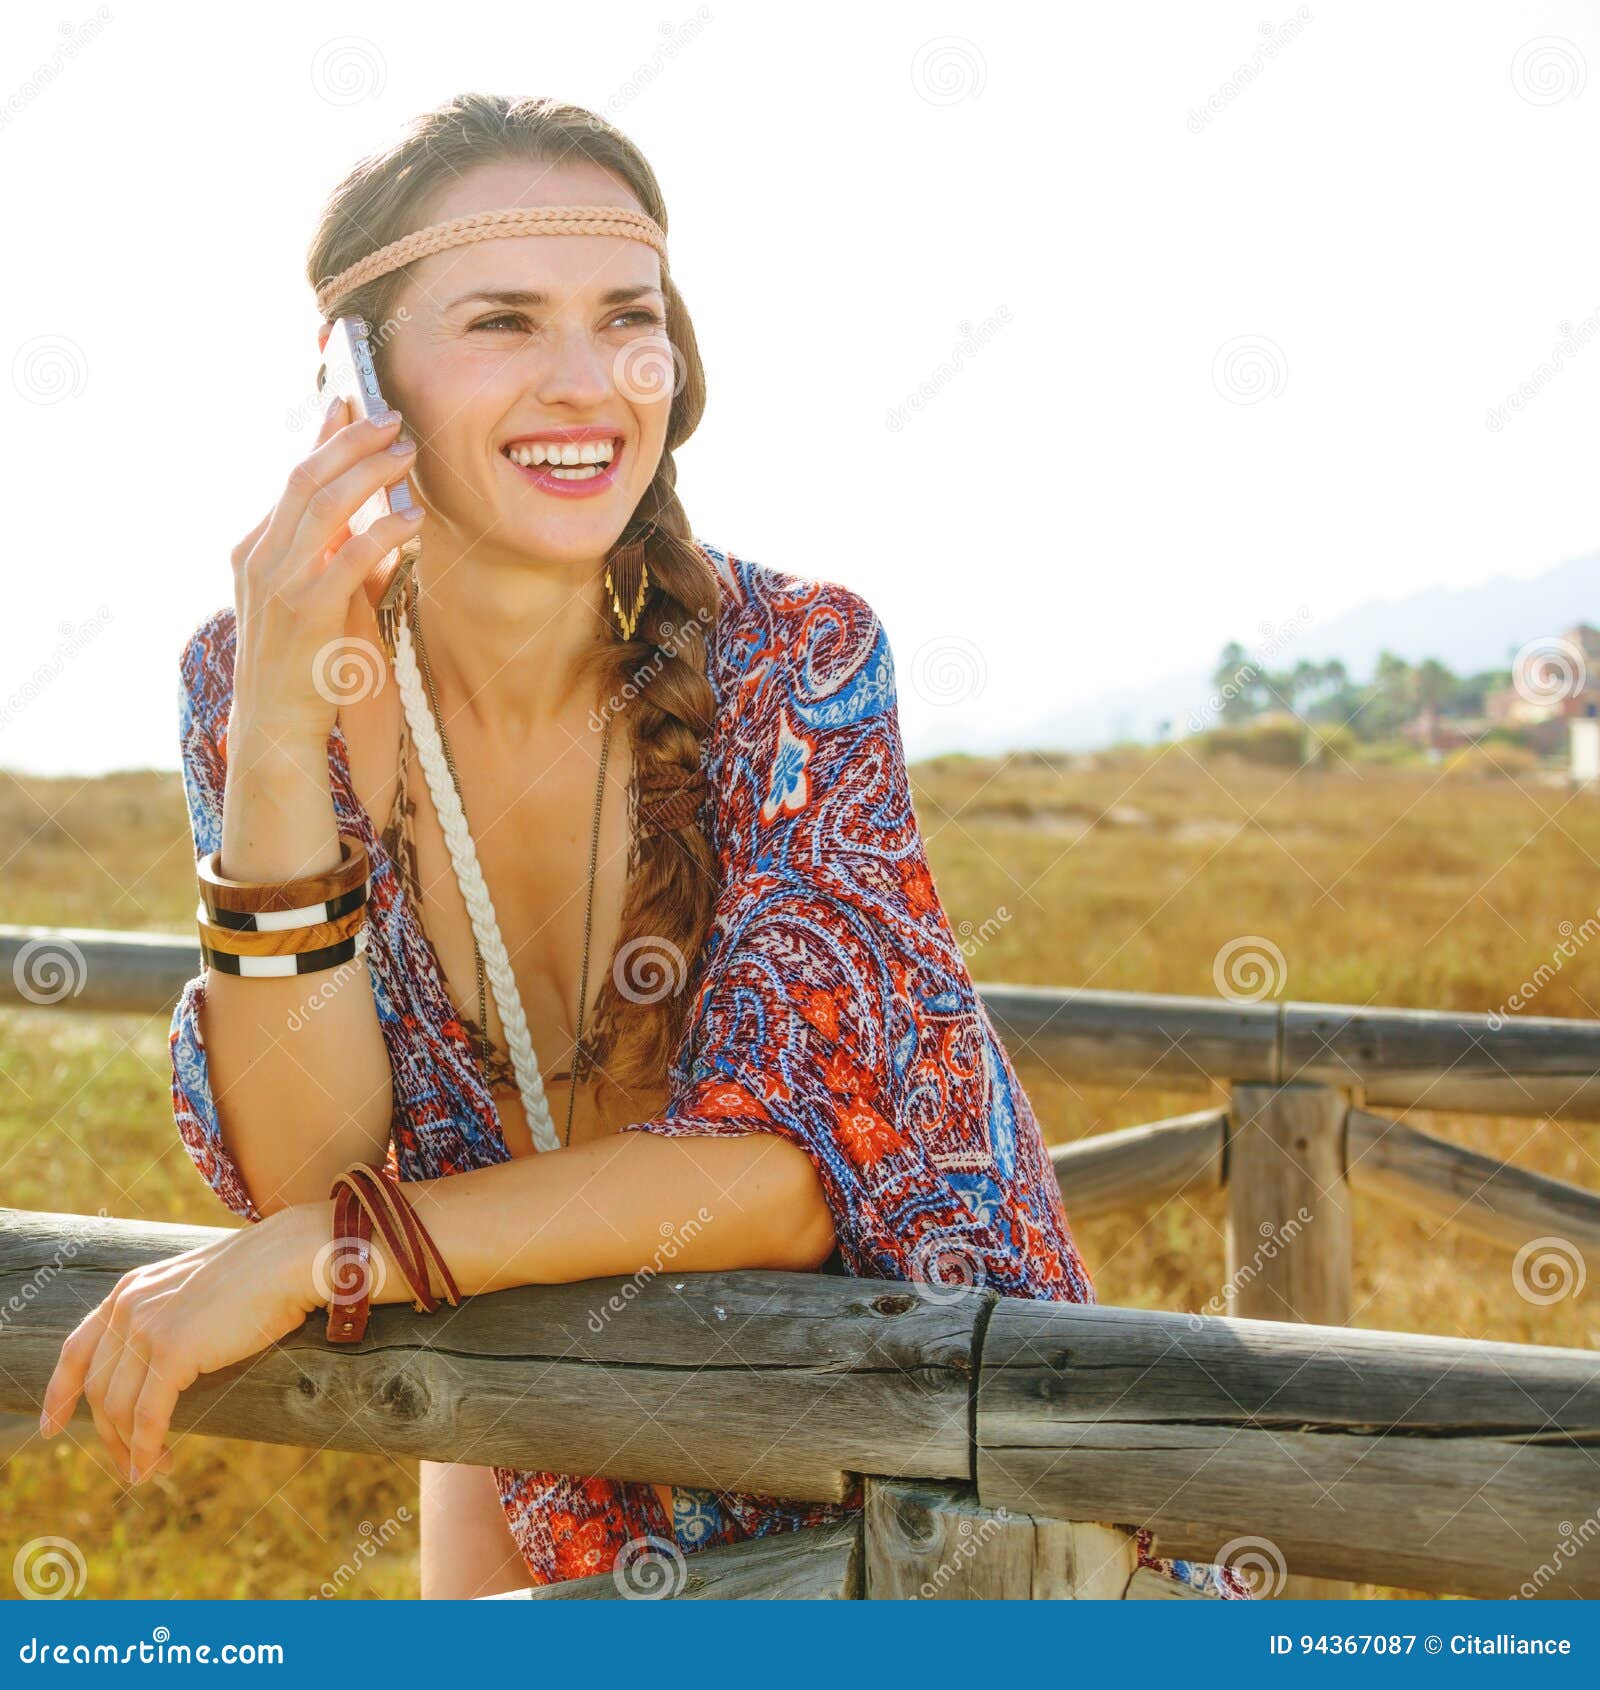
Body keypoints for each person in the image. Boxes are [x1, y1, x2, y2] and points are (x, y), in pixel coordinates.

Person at [38, 92, 1254, 1602]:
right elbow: (317, 1163)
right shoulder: (245, 680)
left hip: (975, 1511)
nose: (587, 381)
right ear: (355, 383)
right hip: (605, 1528)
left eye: (627, 318)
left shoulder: (797, 657)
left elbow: (785, 1177)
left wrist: (317, 1263)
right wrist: (285, 708)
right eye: (502, 320)